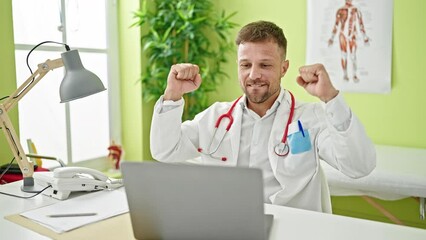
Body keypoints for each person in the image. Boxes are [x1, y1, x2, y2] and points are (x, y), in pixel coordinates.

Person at [150, 20, 376, 212]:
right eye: (245, 64)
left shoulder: (311, 117)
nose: (254, 74)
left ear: (284, 68)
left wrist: (331, 99)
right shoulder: (216, 117)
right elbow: (165, 151)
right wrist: (173, 95)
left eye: (265, 65)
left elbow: (358, 166)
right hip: (229, 226)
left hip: (292, 229)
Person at [328, 0, 370, 82]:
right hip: (343, 35)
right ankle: (345, 75)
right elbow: (336, 25)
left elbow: (361, 24)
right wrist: (332, 38)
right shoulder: (340, 10)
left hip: (352, 35)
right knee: (344, 55)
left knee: (353, 56)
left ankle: (354, 75)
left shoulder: (356, 10)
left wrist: (365, 37)